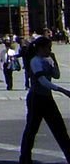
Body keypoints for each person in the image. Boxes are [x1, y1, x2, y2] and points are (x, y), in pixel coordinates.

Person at [19, 36, 70, 164]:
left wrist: (54, 61)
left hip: (47, 98)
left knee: (60, 129)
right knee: (31, 129)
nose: (50, 50)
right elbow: (43, 81)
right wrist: (62, 90)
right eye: (48, 48)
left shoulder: (47, 60)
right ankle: (25, 158)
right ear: (41, 48)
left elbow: (56, 75)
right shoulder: (35, 61)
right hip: (36, 98)